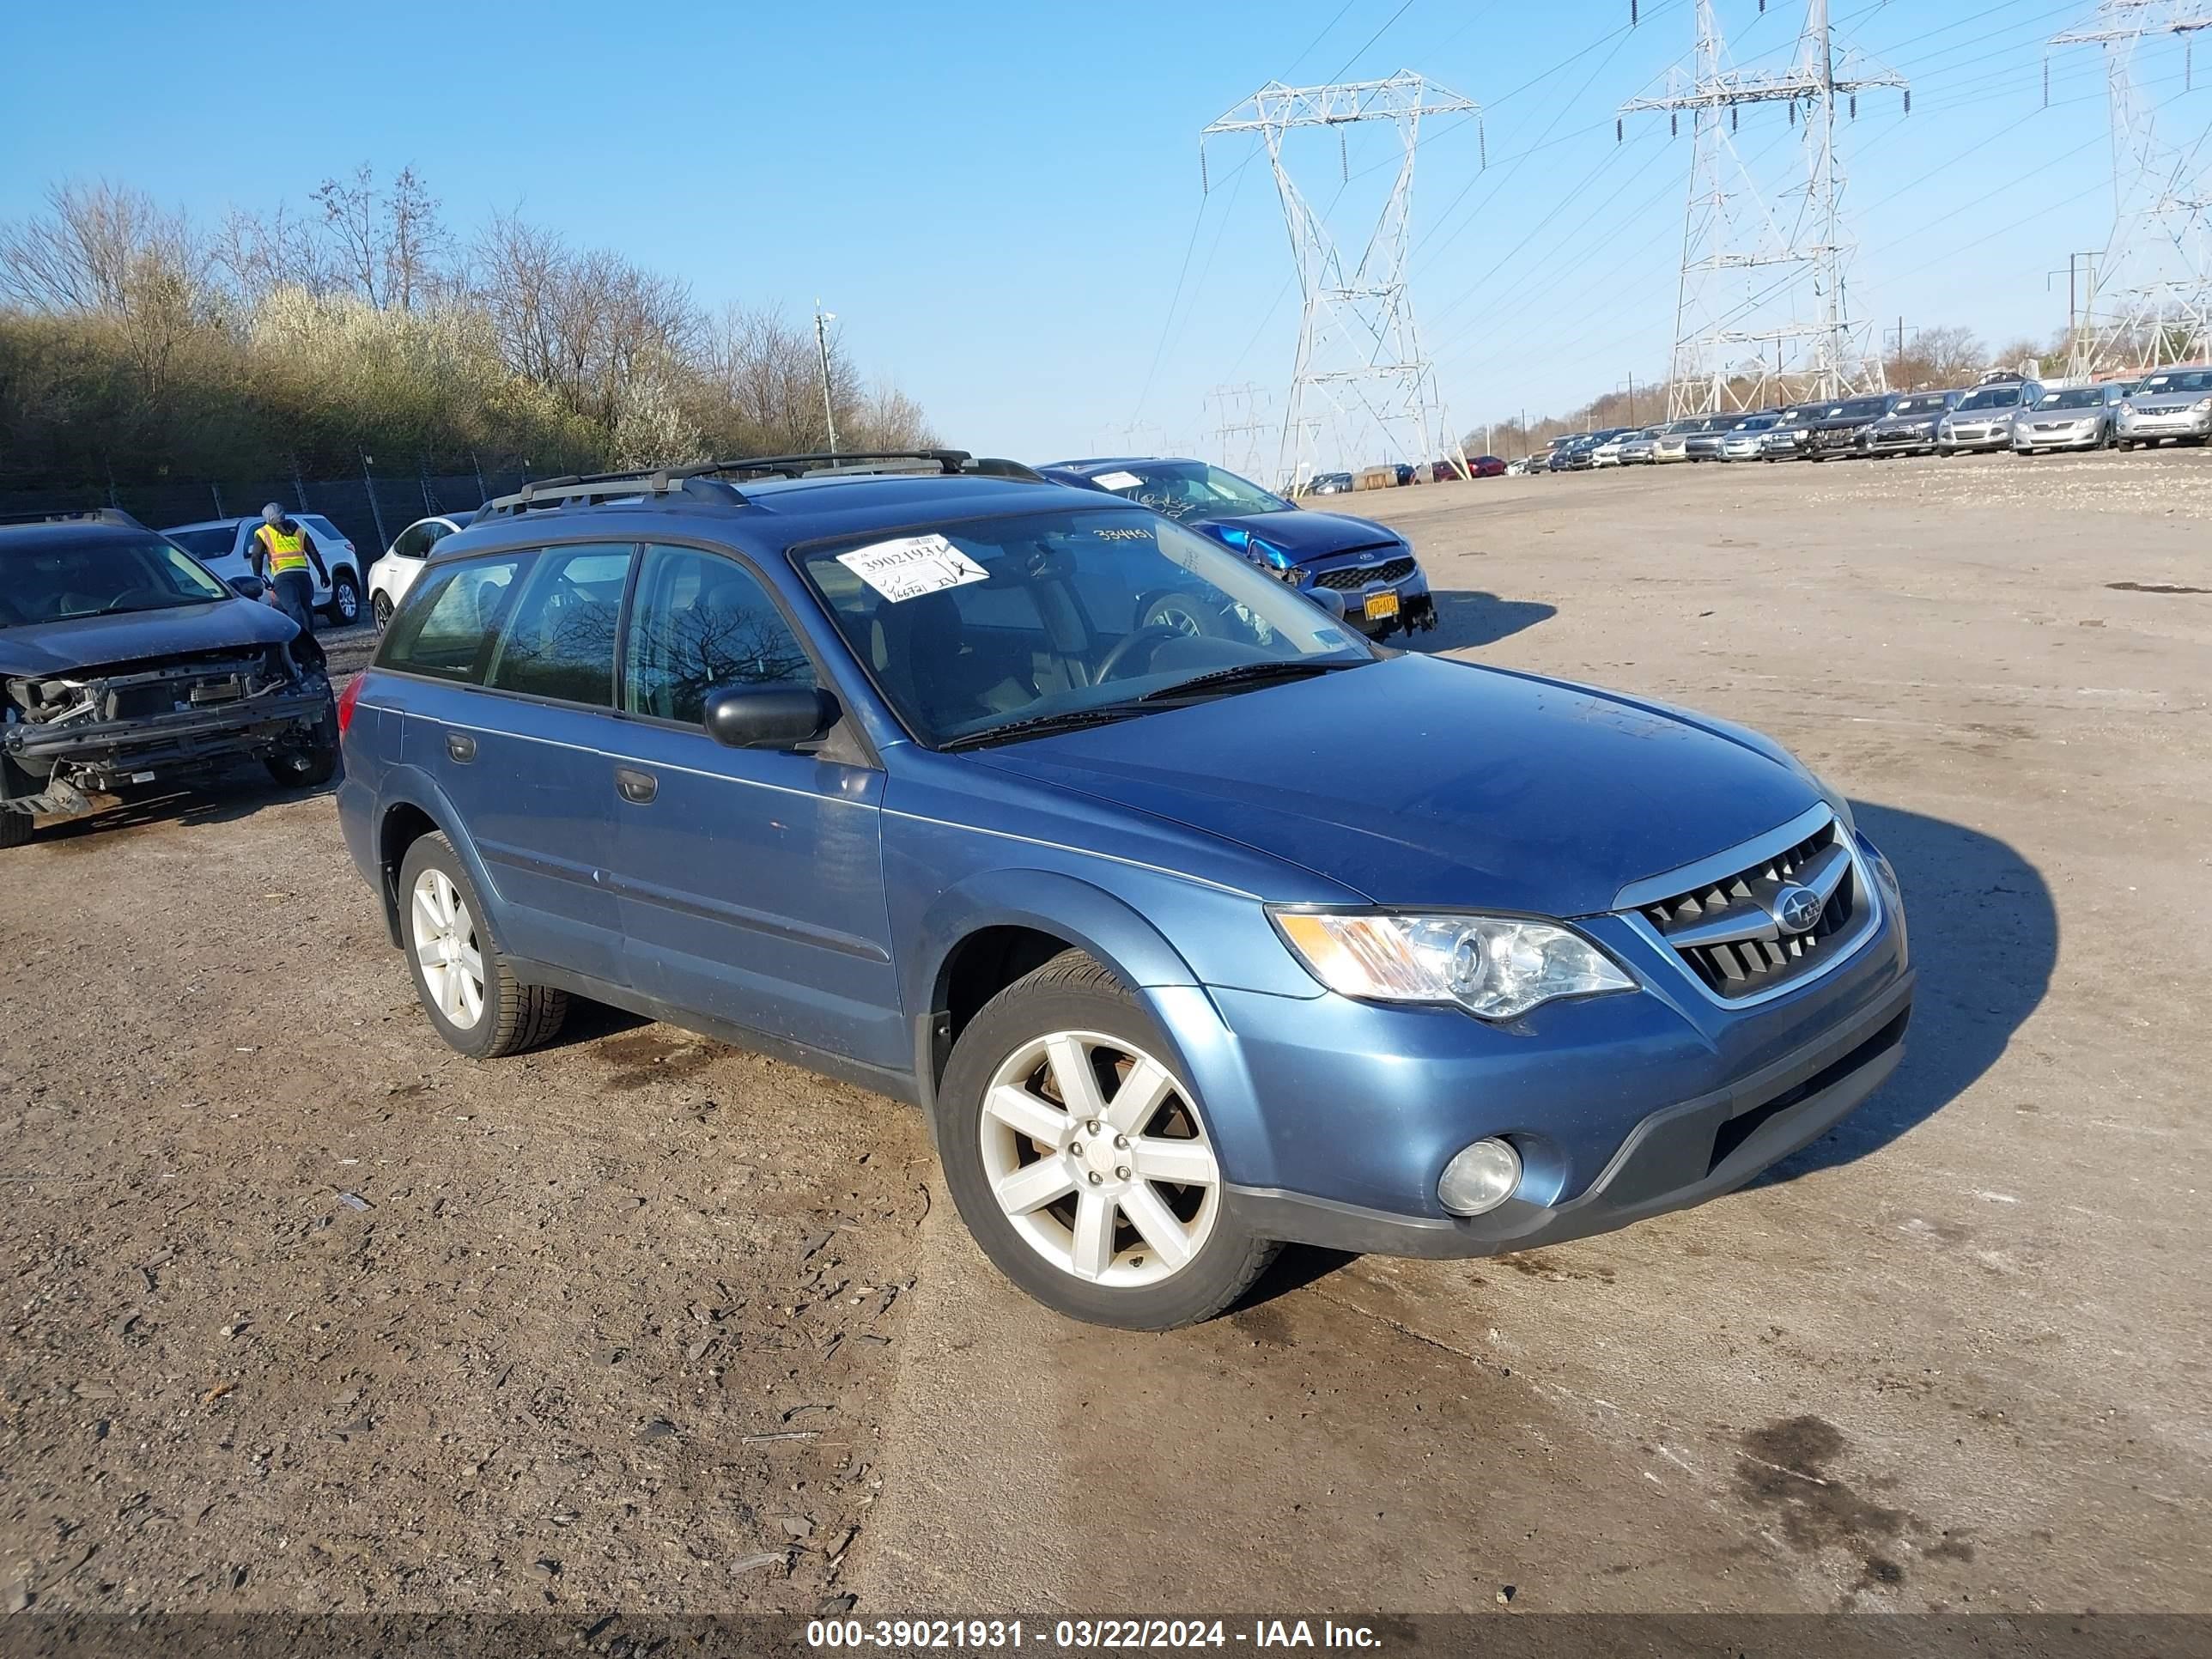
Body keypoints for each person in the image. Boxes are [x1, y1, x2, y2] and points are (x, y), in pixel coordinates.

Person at [250, 503, 329, 635]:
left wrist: (257, 577)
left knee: (294, 609)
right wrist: (323, 574)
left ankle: (300, 641)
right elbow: (313, 553)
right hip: (303, 575)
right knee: (307, 607)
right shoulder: (299, 530)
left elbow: (256, 556)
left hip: (283, 577)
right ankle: (310, 638)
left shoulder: (263, 532)